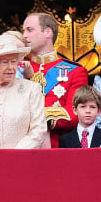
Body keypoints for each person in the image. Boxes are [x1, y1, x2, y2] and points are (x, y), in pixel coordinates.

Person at [22, 12, 89, 148]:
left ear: (48, 32)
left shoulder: (75, 71)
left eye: (30, 30)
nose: (24, 35)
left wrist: (33, 118)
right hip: (21, 147)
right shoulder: (18, 68)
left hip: (57, 149)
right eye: (23, 31)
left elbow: (74, 115)